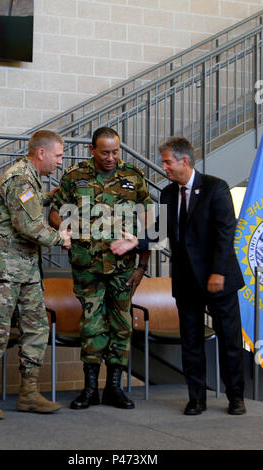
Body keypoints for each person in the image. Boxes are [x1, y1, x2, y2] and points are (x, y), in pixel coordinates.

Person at [111, 136, 246, 416]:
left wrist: (219, 272)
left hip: (218, 279)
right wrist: (136, 242)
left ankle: (236, 397)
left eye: (168, 162)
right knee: (191, 343)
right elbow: (160, 231)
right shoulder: (169, 194)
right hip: (187, 282)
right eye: (163, 162)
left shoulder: (215, 188)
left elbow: (225, 236)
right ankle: (196, 398)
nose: (164, 167)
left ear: (184, 161)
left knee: (230, 341)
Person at [49, 126, 152, 410]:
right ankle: (90, 389)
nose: (110, 157)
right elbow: (54, 211)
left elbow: (150, 223)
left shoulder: (133, 176)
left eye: (115, 151)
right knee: (92, 327)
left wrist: (142, 266)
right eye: (104, 152)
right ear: (92, 150)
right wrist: (64, 231)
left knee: (121, 327)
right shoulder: (74, 176)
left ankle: (115, 388)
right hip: (87, 268)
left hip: (124, 269)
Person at [0, 130, 71, 420]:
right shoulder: (21, 178)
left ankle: (28, 393)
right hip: (3, 271)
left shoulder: (30, 179)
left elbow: (26, 204)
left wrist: (45, 196)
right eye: (58, 155)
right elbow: (28, 227)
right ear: (41, 153)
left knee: (38, 327)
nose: (60, 162)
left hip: (25, 270)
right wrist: (60, 238)